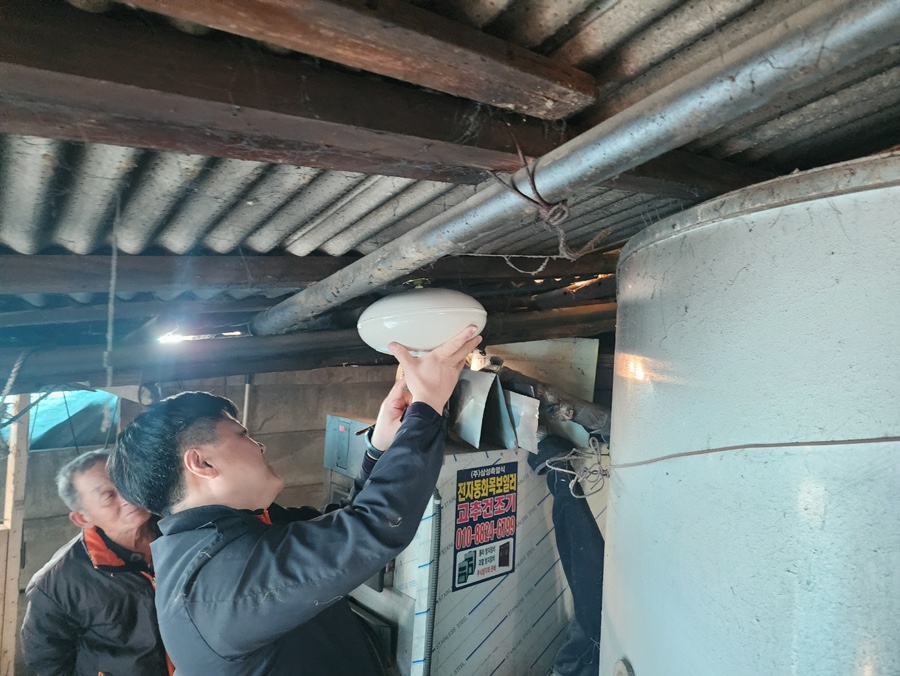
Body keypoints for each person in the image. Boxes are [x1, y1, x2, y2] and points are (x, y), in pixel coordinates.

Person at [107, 326, 482, 676]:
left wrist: (380, 445)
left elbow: (343, 524)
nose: (259, 445)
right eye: (242, 435)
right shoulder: (218, 588)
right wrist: (427, 408)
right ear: (202, 463)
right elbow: (373, 526)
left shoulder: (225, 536)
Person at [20, 449, 169, 676]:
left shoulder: (183, 533)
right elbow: (48, 660)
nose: (128, 497)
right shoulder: (57, 583)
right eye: (109, 495)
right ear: (82, 518)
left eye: (127, 482)